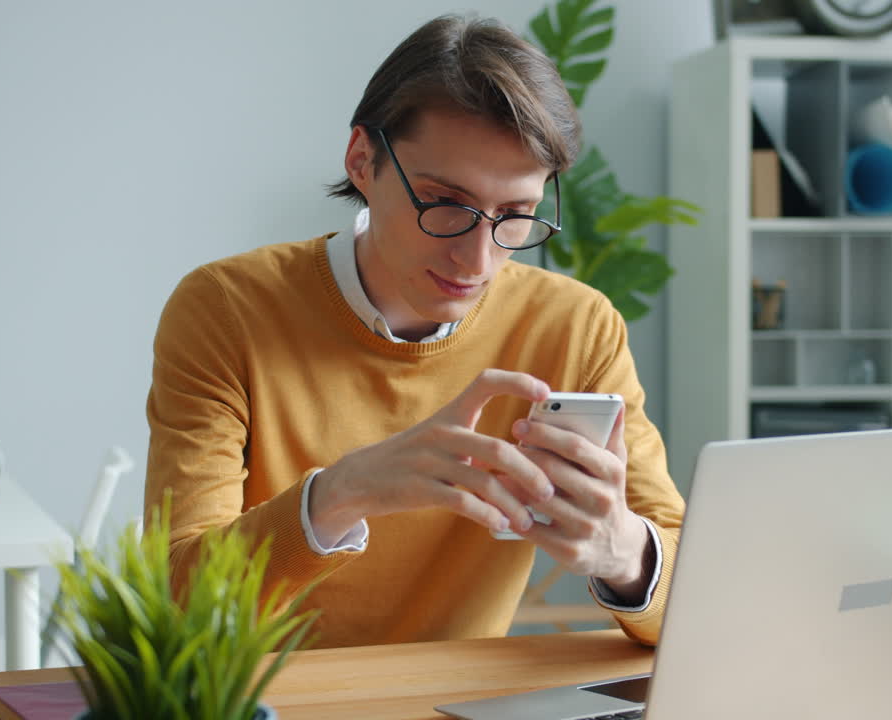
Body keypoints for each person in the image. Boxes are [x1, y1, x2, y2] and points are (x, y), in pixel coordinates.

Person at [144, 13, 684, 648]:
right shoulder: (225, 310)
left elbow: (694, 597)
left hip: (462, 706)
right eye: (445, 204)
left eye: (515, 216)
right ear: (362, 161)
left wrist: (623, 554)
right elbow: (180, 602)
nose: (477, 260)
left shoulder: (576, 326)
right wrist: (342, 494)